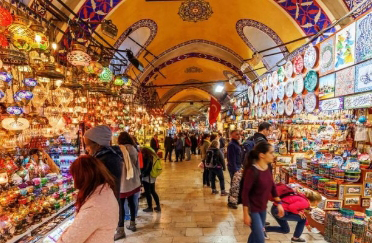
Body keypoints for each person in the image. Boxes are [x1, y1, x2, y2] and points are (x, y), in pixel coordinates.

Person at [57, 155, 118, 243]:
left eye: (74, 177)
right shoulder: (105, 191)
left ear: (82, 178)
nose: (74, 182)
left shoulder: (94, 207)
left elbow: (69, 240)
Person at [242, 142, 285, 243]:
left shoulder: (268, 167)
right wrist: (245, 214)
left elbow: (272, 186)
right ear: (262, 155)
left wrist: (279, 203)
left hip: (262, 208)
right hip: (253, 209)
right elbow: (245, 193)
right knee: (260, 238)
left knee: (255, 235)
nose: (273, 155)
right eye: (271, 153)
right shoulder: (252, 171)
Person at [84, 125, 123, 200]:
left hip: (106, 204)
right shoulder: (107, 157)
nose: (87, 149)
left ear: (98, 145)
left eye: (88, 145)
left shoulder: (106, 160)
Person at [116, 132, 141, 235]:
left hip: (122, 180)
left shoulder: (118, 150)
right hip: (133, 179)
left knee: (120, 204)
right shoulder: (133, 148)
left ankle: (120, 229)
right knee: (131, 201)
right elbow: (136, 163)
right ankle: (132, 223)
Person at [141, 146, 161, 212]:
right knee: (153, 191)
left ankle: (150, 207)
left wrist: (142, 175)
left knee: (147, 192)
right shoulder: (153, 156)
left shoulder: (147, 158)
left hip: (147, 177)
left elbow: (147, 169)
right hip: (153, 176)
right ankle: (158, 206)